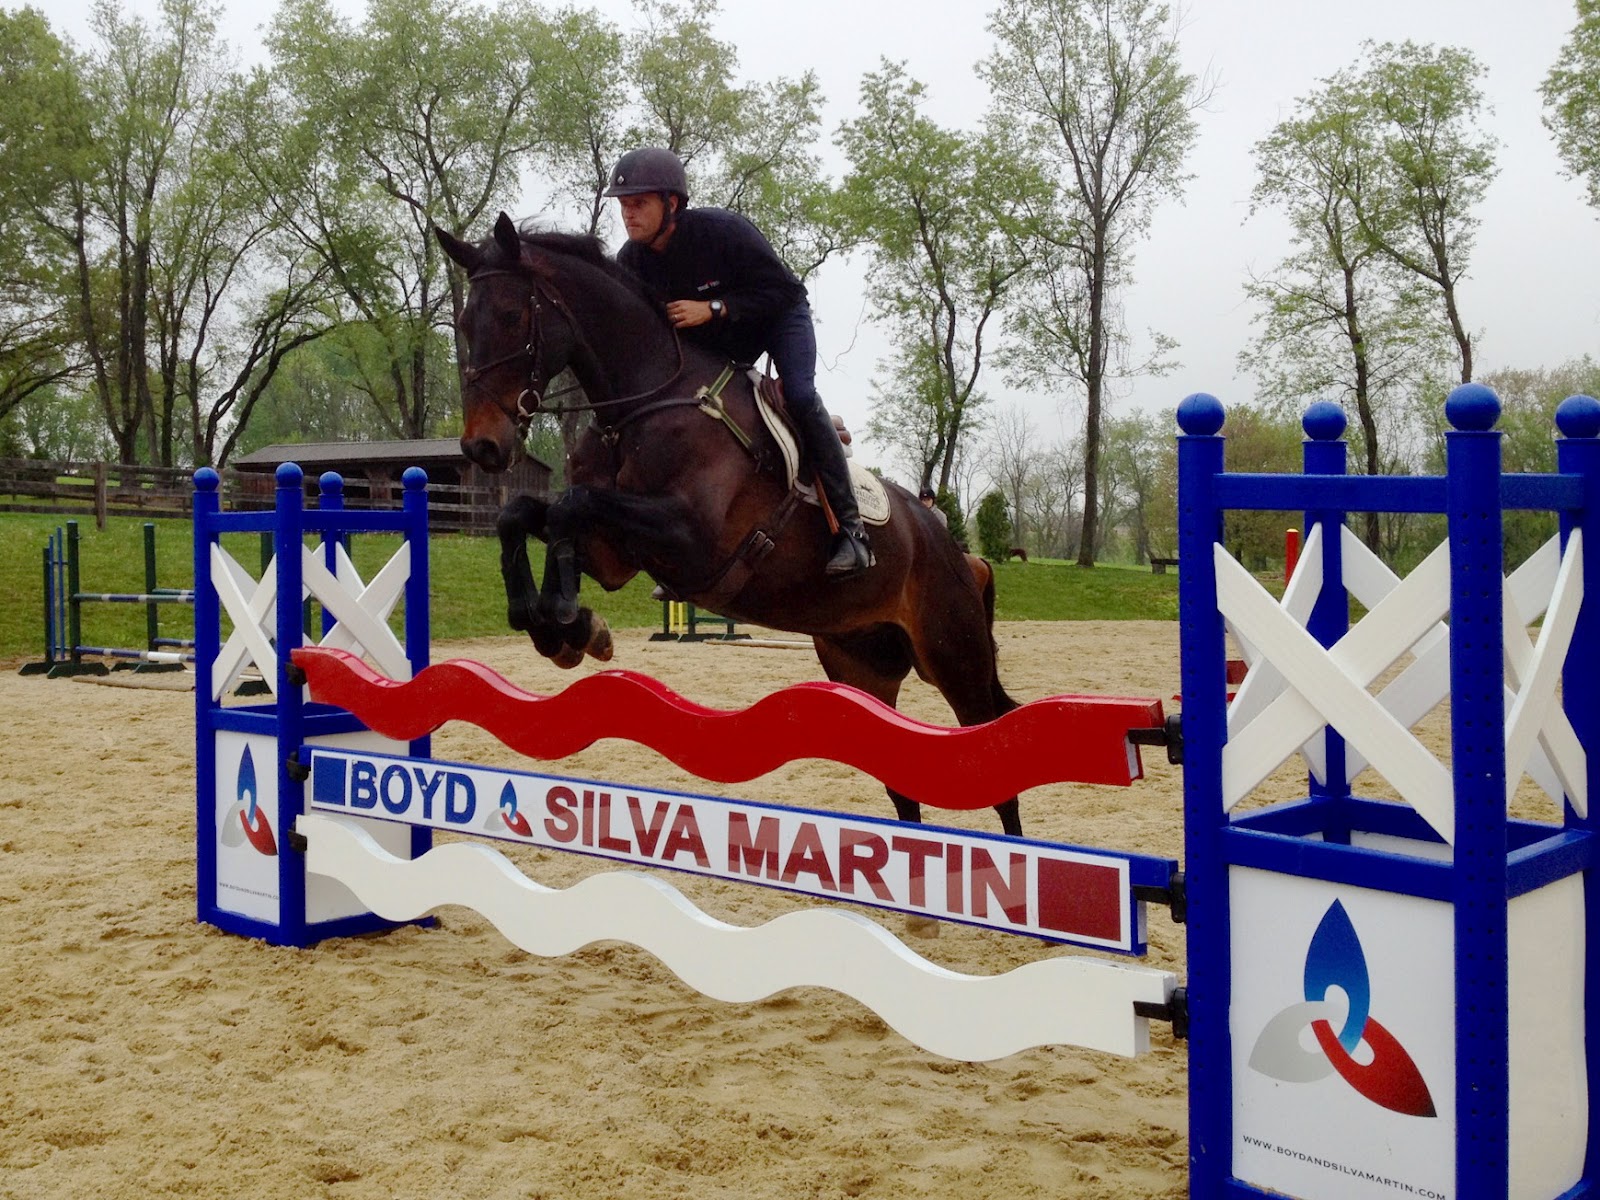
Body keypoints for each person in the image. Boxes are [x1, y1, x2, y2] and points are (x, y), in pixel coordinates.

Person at [604, 147, 873, 579]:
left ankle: (853, 534)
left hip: (777, 320)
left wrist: (712, 308)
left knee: (801, 395)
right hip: (721, 345)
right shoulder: (631, 261)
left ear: (671, 204)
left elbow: (783, 294)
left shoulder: (723, 232)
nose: (628, 215)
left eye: (638, 204)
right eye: (623, 206)